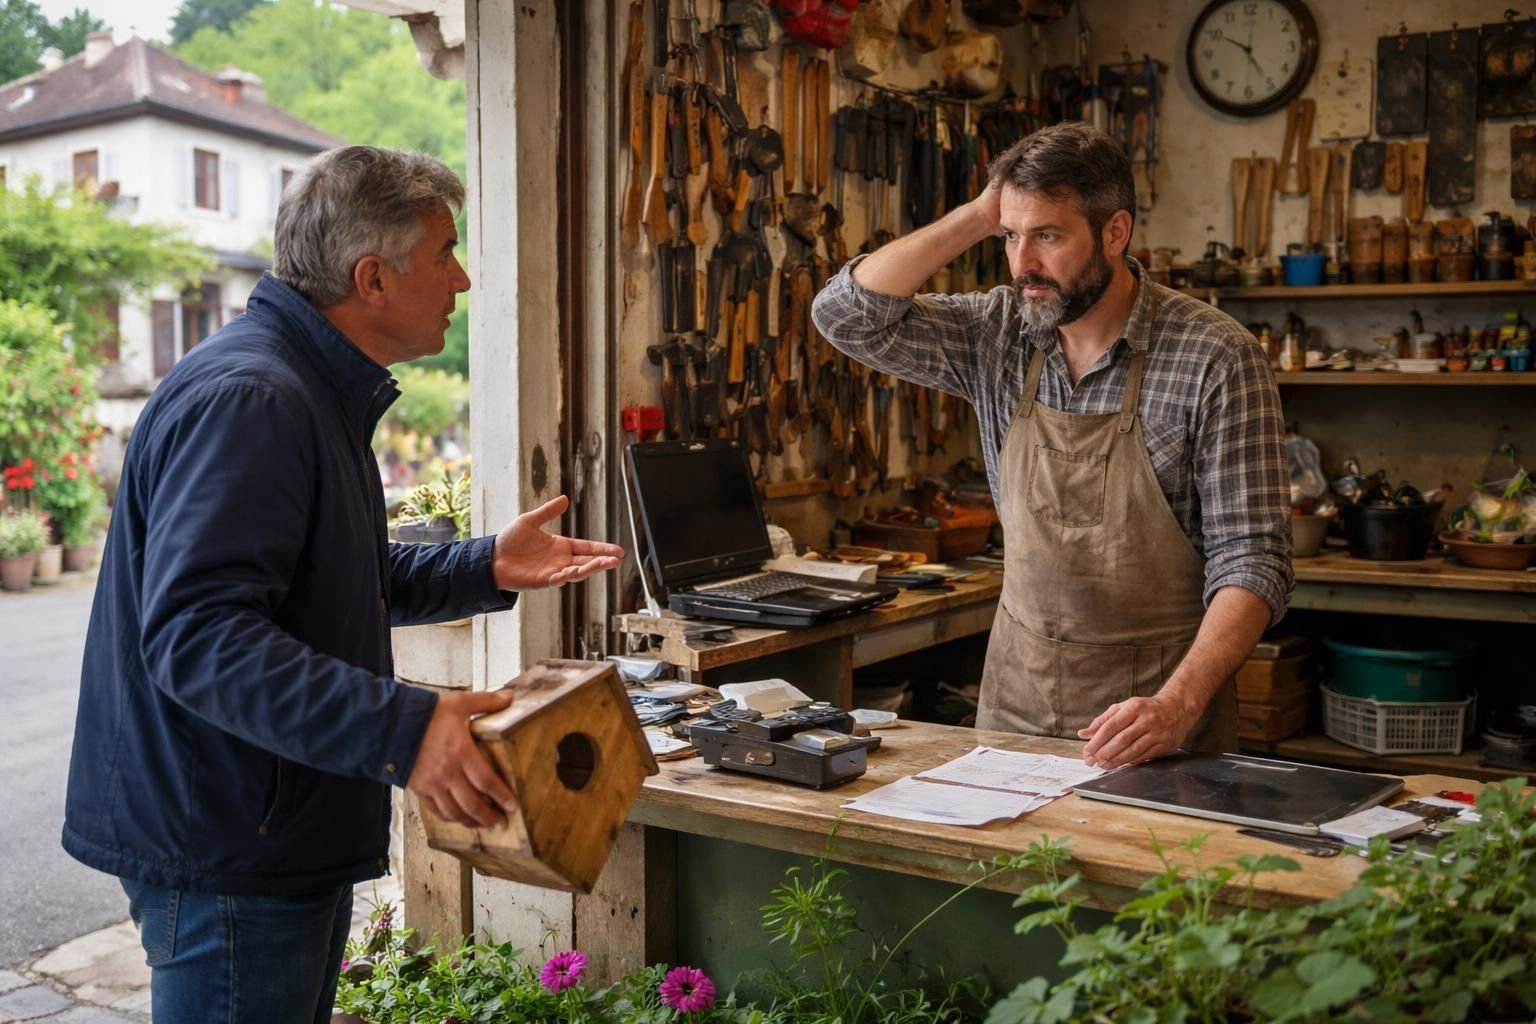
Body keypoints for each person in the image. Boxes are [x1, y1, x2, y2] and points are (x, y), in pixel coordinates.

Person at [62, 146, 624, 1023]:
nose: (462, 278)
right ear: (373, 278)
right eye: (445, 253)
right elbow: (199, 638)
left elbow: (327, 576)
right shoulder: (255, 398)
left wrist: (482, 563)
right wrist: (408, 727)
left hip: (268, 830)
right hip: (231, 848)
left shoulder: (303, 386)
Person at [813, 122, 1291, 770]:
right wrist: (979, 214)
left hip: (1156, 725)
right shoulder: (995, 333)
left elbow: (1254, 560)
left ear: (1115, 233)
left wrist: (1178, 704)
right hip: (1016, 706)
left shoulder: (1216, 357)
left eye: (1048, 236)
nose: (1022, 265)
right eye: (1011, 237)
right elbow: (843, 315)